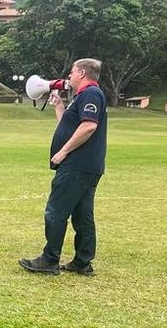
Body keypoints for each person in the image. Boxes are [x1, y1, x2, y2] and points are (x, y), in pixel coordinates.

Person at [19, 58, 108, 275]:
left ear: (82, 73)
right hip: (87, 165)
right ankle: (82, 262)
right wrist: (59, 107)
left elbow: (88, 127)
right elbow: (70, 128)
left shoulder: (91, 94)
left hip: (76, 165)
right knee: (82, 215)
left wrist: (64, 151)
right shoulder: (84, 96)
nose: (69, 76)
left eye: (72, 72)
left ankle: (50, 259)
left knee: (55, 211)